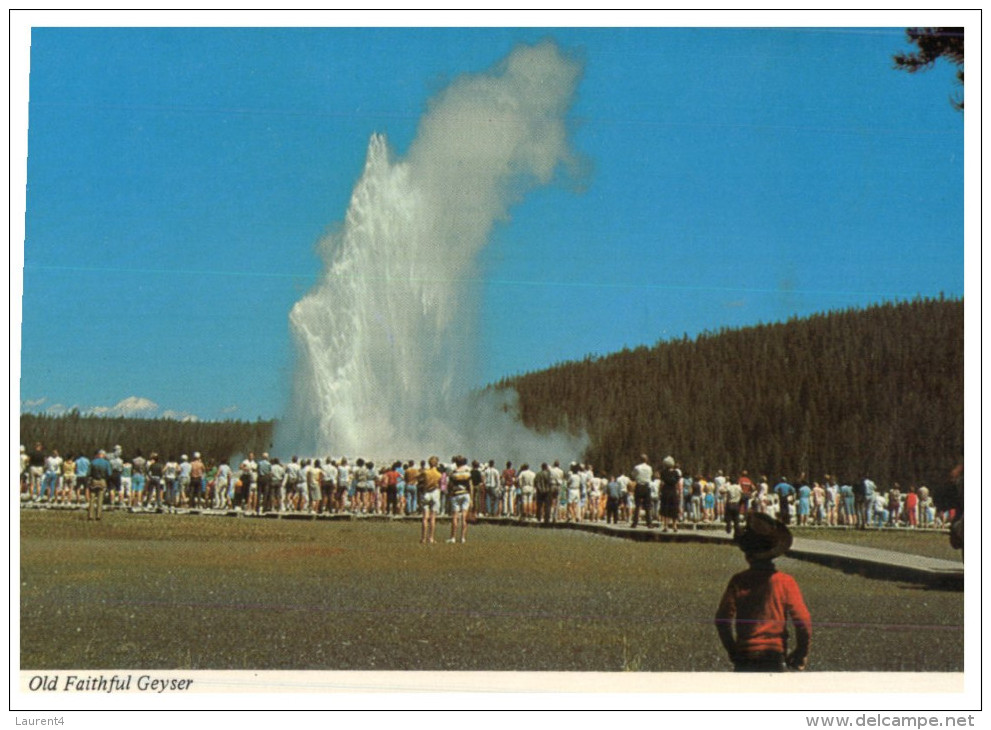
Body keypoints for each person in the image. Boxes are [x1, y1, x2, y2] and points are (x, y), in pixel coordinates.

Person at [715, 512, 812, 672]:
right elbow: (803, 621)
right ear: (774, 553)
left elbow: (722, 619)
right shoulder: (785, 582)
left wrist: (732, 650)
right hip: (774, 653)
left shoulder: (738, 581)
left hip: (745, 653)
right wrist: (801, 652)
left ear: (747, 555)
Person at [448, 456, 471, 543]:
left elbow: (450, 485)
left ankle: (453, 537)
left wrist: (450, 494)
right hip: (465, 494)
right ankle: (463, 538)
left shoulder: (453, 473)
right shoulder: (467, 473)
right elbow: (470, 485)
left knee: (455, 517)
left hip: (456, 494)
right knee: (464, 517)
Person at [420, 457, 442, 544]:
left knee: (425, 517)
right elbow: (441, 486)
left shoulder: (425, 472)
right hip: (435, 493)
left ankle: (423, 538)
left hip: (426, 493)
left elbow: (421, 481)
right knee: (433, 518)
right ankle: (431, 538)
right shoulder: (439, 474)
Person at [658, 456, 682, 532]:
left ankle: (666, 526)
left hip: (665, 491)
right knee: (674, 509)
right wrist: (679, 492)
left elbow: (661, 483)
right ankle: (675, 526)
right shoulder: (676, 473)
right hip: (673, 491)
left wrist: (659, 491)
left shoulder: (663, 472)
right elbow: (678, 484)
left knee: (665, 508)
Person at [88, 449, 112, 521]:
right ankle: (98, 515)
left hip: (94, 480)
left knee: (92, 498)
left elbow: (88, 473)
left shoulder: (93, 462)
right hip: (102, 480)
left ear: (98, 454)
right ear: (103, 455)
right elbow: (109, 473)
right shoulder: (106, 463)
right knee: (100, 499)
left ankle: (90, 515)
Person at [630, 455, 653, 528]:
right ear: (647, 460)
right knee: (647, 506)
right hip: (646, 486)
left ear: (640, 460)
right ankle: (649, 523)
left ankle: (635, 523)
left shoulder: (637, 467)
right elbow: (650, 476)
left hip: (639, 486)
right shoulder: (649, 468)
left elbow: (633, 475)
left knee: (637, 505)